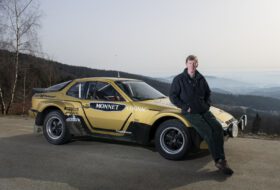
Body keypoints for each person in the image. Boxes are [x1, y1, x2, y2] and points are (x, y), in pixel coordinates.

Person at [169, 55, 234, 175]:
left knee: (218, 128)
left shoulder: (201, 78)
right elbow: (173, 96)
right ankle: (219, 161)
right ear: (186, 64)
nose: (192, 66)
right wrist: (185, 107)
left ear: (197, 64)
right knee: (208, 132)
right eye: (190, 63)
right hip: (190, 112)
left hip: (204, 110)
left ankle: (221, 158)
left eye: (194, 63)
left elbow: (208, 93)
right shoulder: (179, 79)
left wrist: (207, 105)